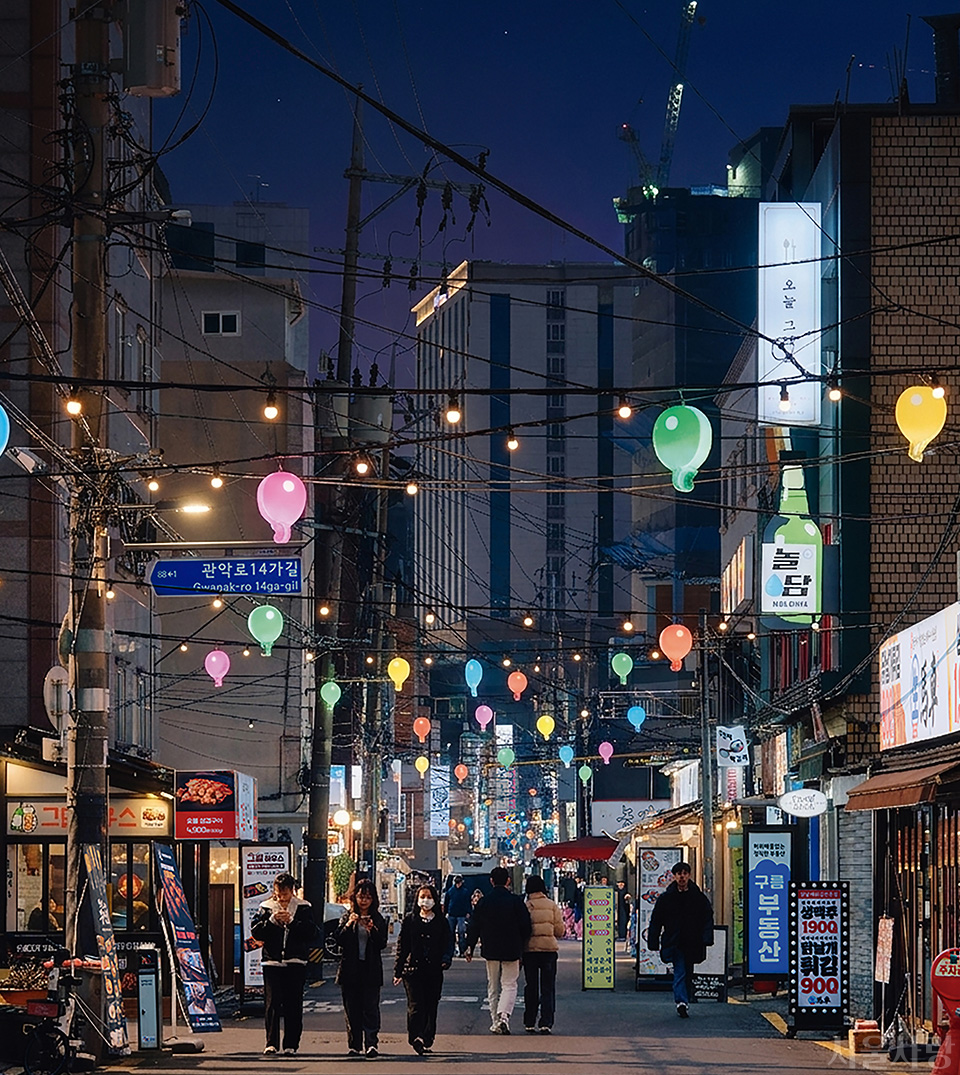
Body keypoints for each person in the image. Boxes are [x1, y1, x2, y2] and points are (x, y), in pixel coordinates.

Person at [250, 872, 315, 1055]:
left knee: (293, 1004)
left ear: (292, 891)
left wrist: (292, 922)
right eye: (278, 894)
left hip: (295, 961)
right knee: (271, 1004)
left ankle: (291, 1045)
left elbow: (311, 932)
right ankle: (271, 1043)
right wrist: (272, 921)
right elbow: (256, 932)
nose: (281, 898)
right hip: (272, 961)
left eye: (285, 894)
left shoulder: (303, 907)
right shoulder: (266, 907)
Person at [464, 866, 532, 1035]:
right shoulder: (516, 901)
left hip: (491, 949)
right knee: (509, 985)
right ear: (508, 881)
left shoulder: (484, 902)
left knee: (493, 986)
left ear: (491, 881)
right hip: (512, 949)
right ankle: (504, 1018)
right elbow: (526, 926)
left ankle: (495, 1021)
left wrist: (470, 946)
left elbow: (474, 926)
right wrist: (522, 945)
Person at [647, 861, 714, 1018]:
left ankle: (684, 999)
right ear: (674, 876)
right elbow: (656, 920)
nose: (682, 876)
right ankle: (681, 1001)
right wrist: (653, 940)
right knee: (680, 970)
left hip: (693, 940)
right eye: (679, 874)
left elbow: (707, 918)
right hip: (675, 941)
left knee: (687, 971)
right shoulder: (666, 898)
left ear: (689, 875)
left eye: (684, 873)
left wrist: (706, 937)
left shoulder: (698, 897)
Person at [393, 883, 453, 1055]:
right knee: (416, 1004)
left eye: (429, 897)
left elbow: (448, 943)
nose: (425, 900)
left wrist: (446, 959)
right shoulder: (410, 921)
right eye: (422, 897)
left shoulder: (442, 922)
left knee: (431, 1004)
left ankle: (427, 1037)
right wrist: (398, 971)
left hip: (434, 970)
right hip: (412, 970)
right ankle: (415, 1037)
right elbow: (402, 946)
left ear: (434, 900)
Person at [335, 879, 388, 1058]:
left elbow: (382, 944)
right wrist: (350, 923)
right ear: (354, 898)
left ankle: (371, 1044)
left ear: (373, 899)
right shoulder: (347, 916)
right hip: (350, 970)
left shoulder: (378, 919)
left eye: (367, 897)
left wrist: (372, 929)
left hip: (371, 970)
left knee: (370, 1008)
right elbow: (339, 940)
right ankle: (354, 1045)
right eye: (360, 897)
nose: (363, 901)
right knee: (351, 1009)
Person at [521, 876, 564, 1034]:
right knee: (548, 987)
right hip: (549, 951)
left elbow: (522, 929)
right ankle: (546, 1022)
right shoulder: (552, 906)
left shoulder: (526, 906)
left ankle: (529, 1021)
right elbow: (560, 931)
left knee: (531, 986)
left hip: (530, 951)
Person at [443, 875, 471, 956]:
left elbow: (467, 903)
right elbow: (446, 902)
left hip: (461, 914)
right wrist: (445, 912)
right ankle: (451, 950)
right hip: (452, 914)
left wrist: (468, 912)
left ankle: (462, 950)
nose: (458, 884)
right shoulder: (451, 891)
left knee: (461, 932)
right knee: (451, 933)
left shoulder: (464, 892)